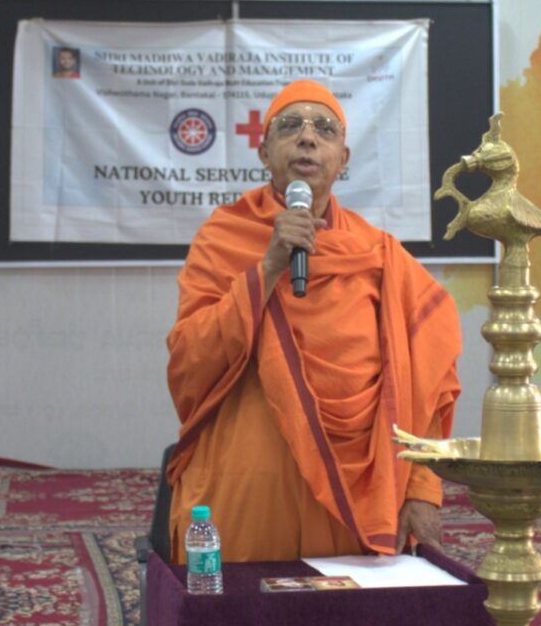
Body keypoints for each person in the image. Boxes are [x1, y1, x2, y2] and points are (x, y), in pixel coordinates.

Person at [165, 80, 462, 563]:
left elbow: (428, 383)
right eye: (290, 126)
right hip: (248, 500)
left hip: (359, 503)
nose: (307, 138)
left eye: (324, 129)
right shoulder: (224, 238)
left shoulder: (379, 255)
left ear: (342, 159)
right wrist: (267, 269)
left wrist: (422, 488)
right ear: (264, 152)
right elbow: (188, 363)